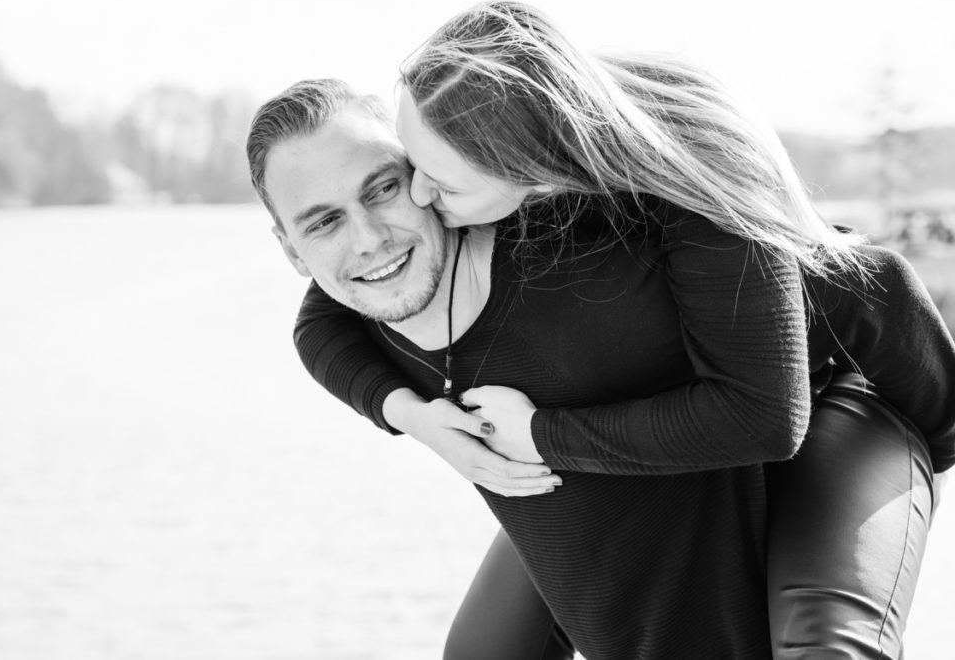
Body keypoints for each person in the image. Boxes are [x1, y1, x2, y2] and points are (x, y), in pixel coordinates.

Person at [247, 76, 954, 658]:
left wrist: (944, 434)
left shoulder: (582, 248)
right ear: (292, 251)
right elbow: (315, 331)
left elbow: (862, 280)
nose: (370, 238)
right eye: (324, 222)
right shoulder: (359, 311)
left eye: (382, 188)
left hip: (822, 413)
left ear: (425, 176)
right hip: (620, 468)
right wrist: (410, 415)